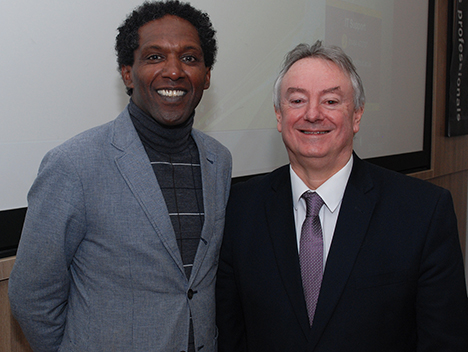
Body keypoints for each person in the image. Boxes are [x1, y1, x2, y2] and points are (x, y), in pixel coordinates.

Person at [216, 41, 468, 351]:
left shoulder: (424, 211)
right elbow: (229, 335)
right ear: (279, 116)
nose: (312, 114)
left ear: (357, 115)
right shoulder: (239, 209)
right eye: (297, 100)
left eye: (331, 101)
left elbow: (445, 341)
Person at [8, 1, 231, 351]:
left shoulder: (219, 160)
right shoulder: (74, 164)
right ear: (128, 72)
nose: (173, 71)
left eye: (189, 58)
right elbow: (31, 294)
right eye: (155, 57)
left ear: (206, 75)